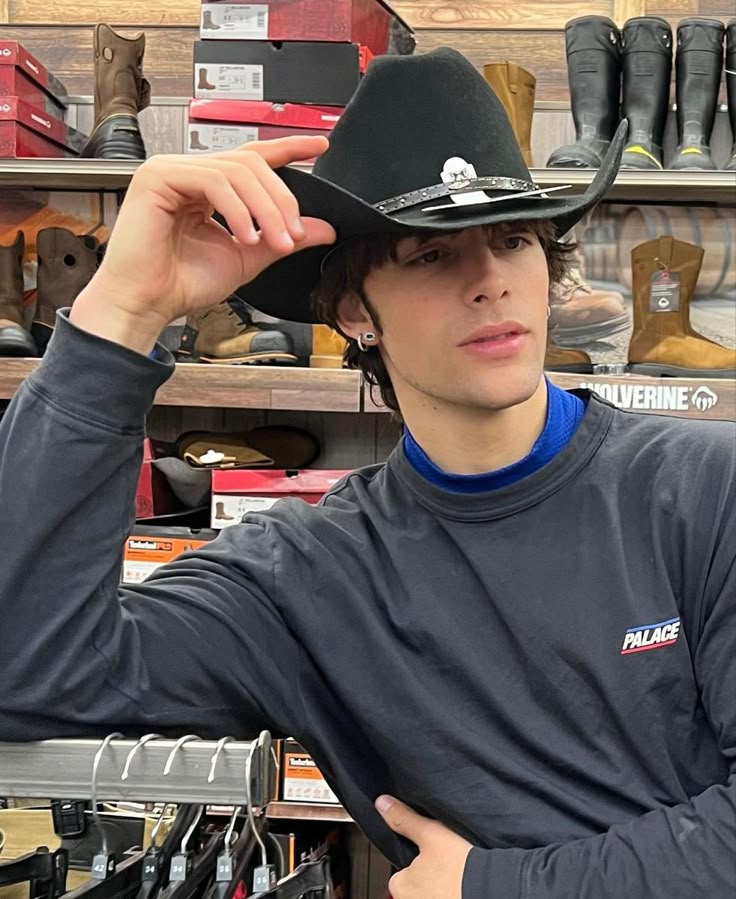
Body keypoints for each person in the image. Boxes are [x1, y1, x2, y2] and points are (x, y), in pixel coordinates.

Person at [0, 48, 734, 899]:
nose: (491, 280)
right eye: (431, 255)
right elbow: (27, 671)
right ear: (354, 310)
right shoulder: (304, 575)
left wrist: (496, 885)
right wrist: (120, 313)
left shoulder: (703, 493)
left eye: (513, 239)